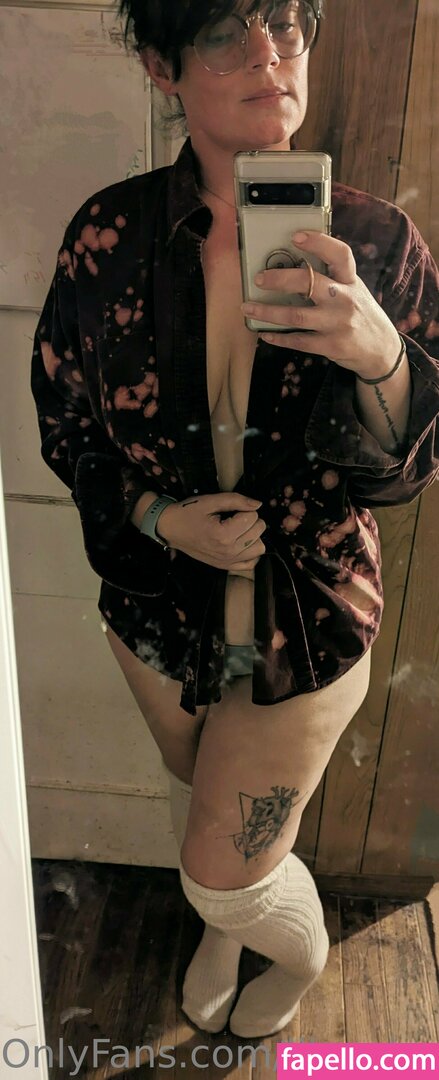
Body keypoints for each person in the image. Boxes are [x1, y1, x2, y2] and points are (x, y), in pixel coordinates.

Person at [31, 0, 439, 1040]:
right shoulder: (110, 238)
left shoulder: (375, 244)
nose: (268, 55)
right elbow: (63, 423)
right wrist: (162, 518)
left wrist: (380, 358)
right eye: (225, 33)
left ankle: (289, 956)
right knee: (207, 794)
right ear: (163, 67)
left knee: (224, 868)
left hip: (306, 615)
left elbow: (408, 472)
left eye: (287, 26)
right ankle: (228, 922)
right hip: (156, 604)